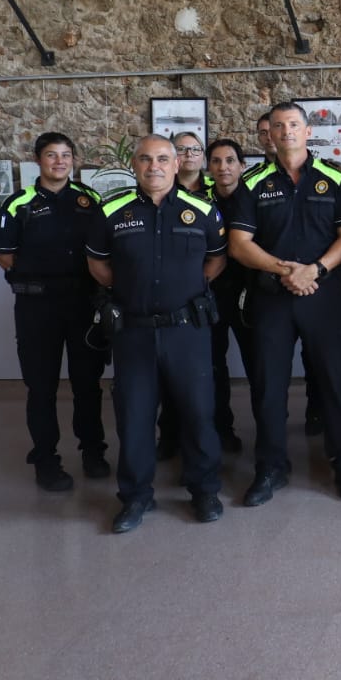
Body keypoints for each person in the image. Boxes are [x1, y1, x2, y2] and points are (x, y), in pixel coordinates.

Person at [85, 135, 227, 533]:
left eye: (163, 159)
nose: (155, 167)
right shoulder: (112, 210)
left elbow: (216, 258)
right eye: (146, 160)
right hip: (133, 332)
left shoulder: (202, 209)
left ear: (177, 163)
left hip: (187, 331)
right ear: (134, 165)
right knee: (134, 417)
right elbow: (98, 265)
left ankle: (204, 489)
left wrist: (187, 289)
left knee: (199, 413)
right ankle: (135, 497)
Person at [227, 102, 341, 504]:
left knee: (335, 382)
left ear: (308, 132)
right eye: (277, 126)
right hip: (272, 300)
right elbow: (239, 245)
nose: (285, 131)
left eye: (293, 125)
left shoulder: (335, 179)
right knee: (269, 385)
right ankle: (270, 467)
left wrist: (315, 271)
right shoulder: (251, 184)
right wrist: (285, 271)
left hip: (324, 298)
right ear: (267, 134)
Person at [0, 131, 110, 491]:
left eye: (65, 155)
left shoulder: (90, 200)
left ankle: (93, 451)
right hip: (37, 307)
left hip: (83, 305)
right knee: (40, 387)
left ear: (73, 160)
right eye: (51, 155)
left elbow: (103, 252)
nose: (59, 161)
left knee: (87, 384)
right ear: (38, 161)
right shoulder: (19, 203)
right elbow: (4, 255)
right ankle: (46, 460)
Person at [157, 131, 216, 458]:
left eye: (195, 149)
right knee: (167, 376)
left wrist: (198, 283)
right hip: (170, 302)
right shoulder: (160, 191)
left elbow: (219, 250)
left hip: (208, 294)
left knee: (206, 373)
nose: (190, 154)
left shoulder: (214, 190)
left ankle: (217, 432)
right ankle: (169, 436)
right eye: (183, 149)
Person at [205, 138, 255, 454]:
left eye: (230, 161)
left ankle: (268, 431)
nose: (223, 167)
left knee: (259, 365)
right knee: (213, 368)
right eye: (217, 162)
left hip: (251, 295)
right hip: (211, 293)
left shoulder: (254, 198)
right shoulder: (198, 203)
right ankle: (222, 430)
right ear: (208, 168)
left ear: (241, 165)